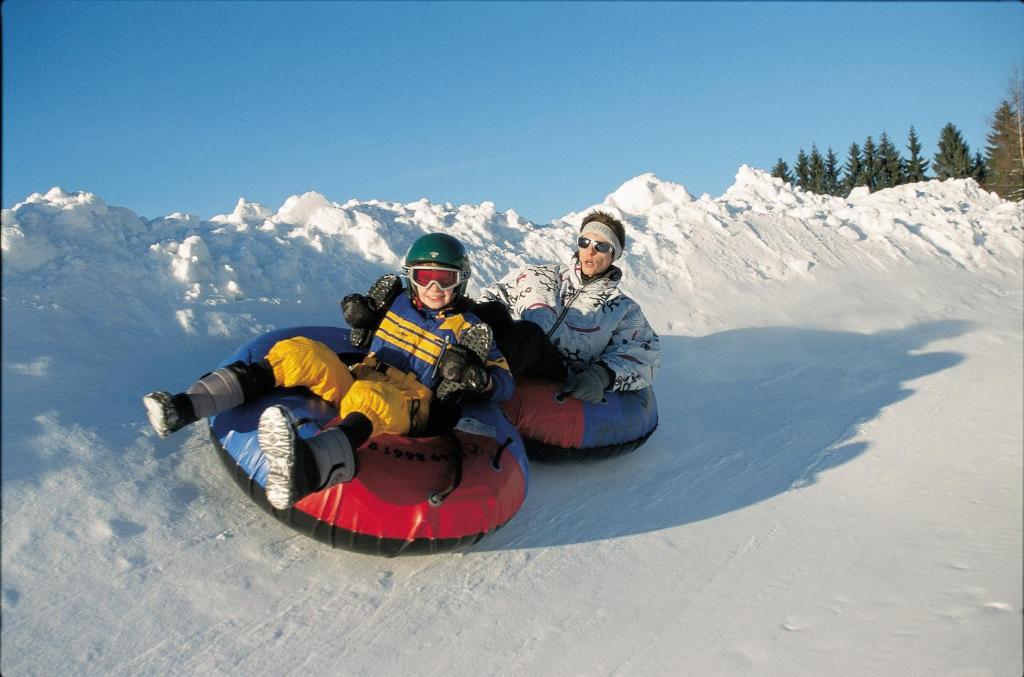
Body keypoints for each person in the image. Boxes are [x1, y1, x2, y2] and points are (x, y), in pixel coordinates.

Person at [143, 233, 513, 510]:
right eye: (425, 276)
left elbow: (505, 385)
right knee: (300, 353)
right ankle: (185, 406)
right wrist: (362, 315)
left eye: (445, 279)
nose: (434, 287)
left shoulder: (471, 328)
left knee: (373, 399)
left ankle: (308, 468)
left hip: (412, 403)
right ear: (411, 276)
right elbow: (359, 330)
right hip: (363, 375)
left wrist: (475, 377)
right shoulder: (396, 301)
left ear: (460, 280)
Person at [478, 210, 660, 402]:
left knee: (528, 333)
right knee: (492, 311)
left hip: (555, 373)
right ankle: (454, 363)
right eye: (585, 242)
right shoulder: (538, 275)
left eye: (602, 246)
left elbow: (645, 353)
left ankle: (478, 381)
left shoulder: (622, 308)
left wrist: (600, 376)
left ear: (614, 255)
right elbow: (493, 295)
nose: (590, 251)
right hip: (512, 352)